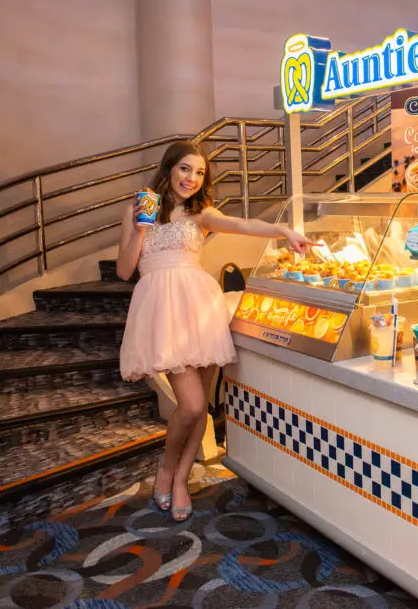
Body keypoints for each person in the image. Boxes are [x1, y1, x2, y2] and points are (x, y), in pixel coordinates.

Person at [116, 139, 315, 521]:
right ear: (169, 168)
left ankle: (179, 481)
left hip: (199, 307)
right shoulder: (135, 209)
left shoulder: (200, 214)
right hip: (161, 310)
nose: (191, 178)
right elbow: (125, 270)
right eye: (185, 169)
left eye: (199, 172)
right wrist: (142, 228)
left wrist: (285, 232)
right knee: (189, 406)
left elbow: (243, 224)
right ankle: (166, 469)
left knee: (201, 407)